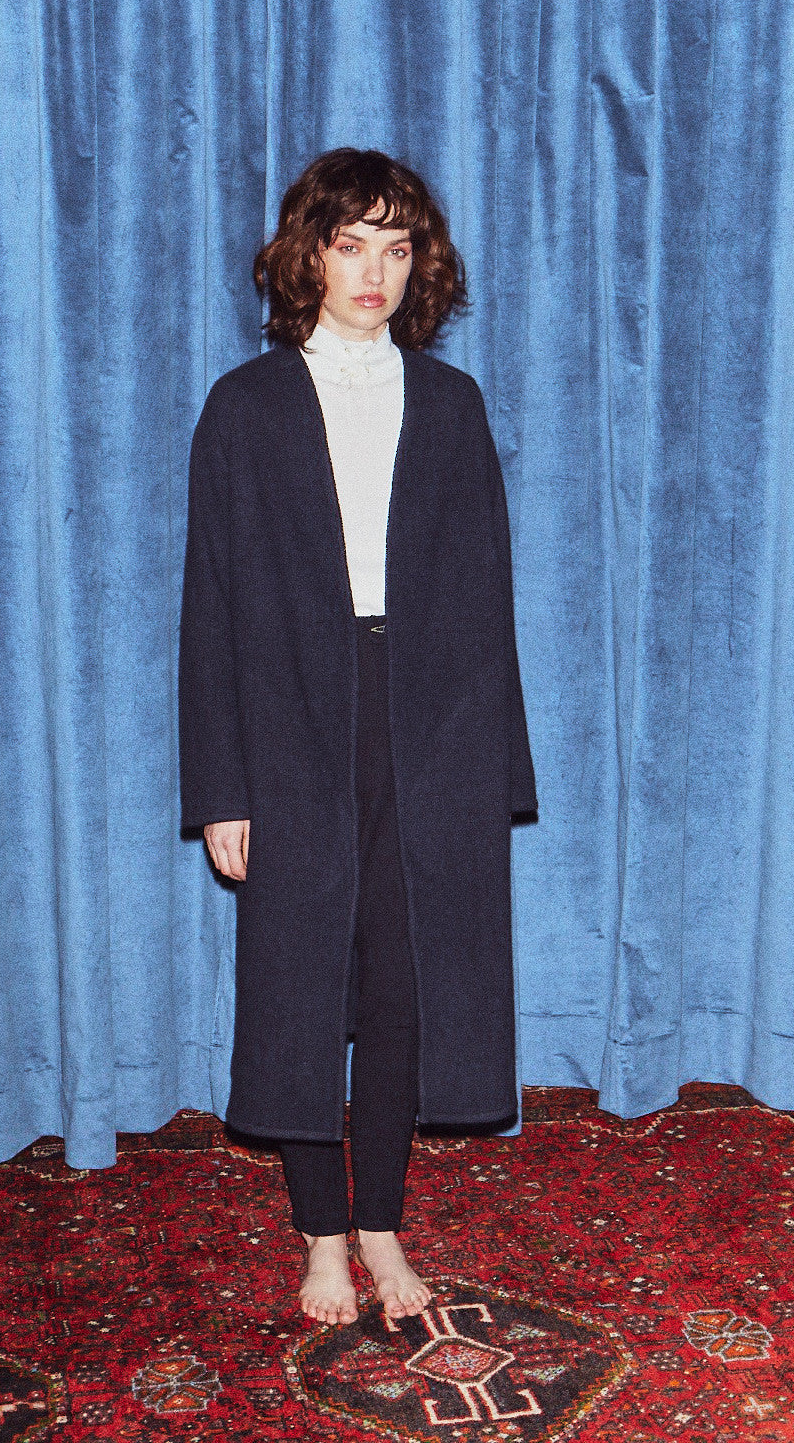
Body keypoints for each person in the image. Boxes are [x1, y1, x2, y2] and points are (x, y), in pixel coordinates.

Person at [179, 148, 536, 1326]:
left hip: (430, 727)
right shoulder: (246, 407)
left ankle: (379, 1225)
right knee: (299, 983)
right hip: (291, 723)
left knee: (402, 989)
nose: (374, 272)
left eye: (397, 248)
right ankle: (320, 1242)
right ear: (310, 257)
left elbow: (485, 603)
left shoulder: (450, 404)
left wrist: (494, 772)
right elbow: (210, 608)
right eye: (351, 246)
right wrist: (221, 787)